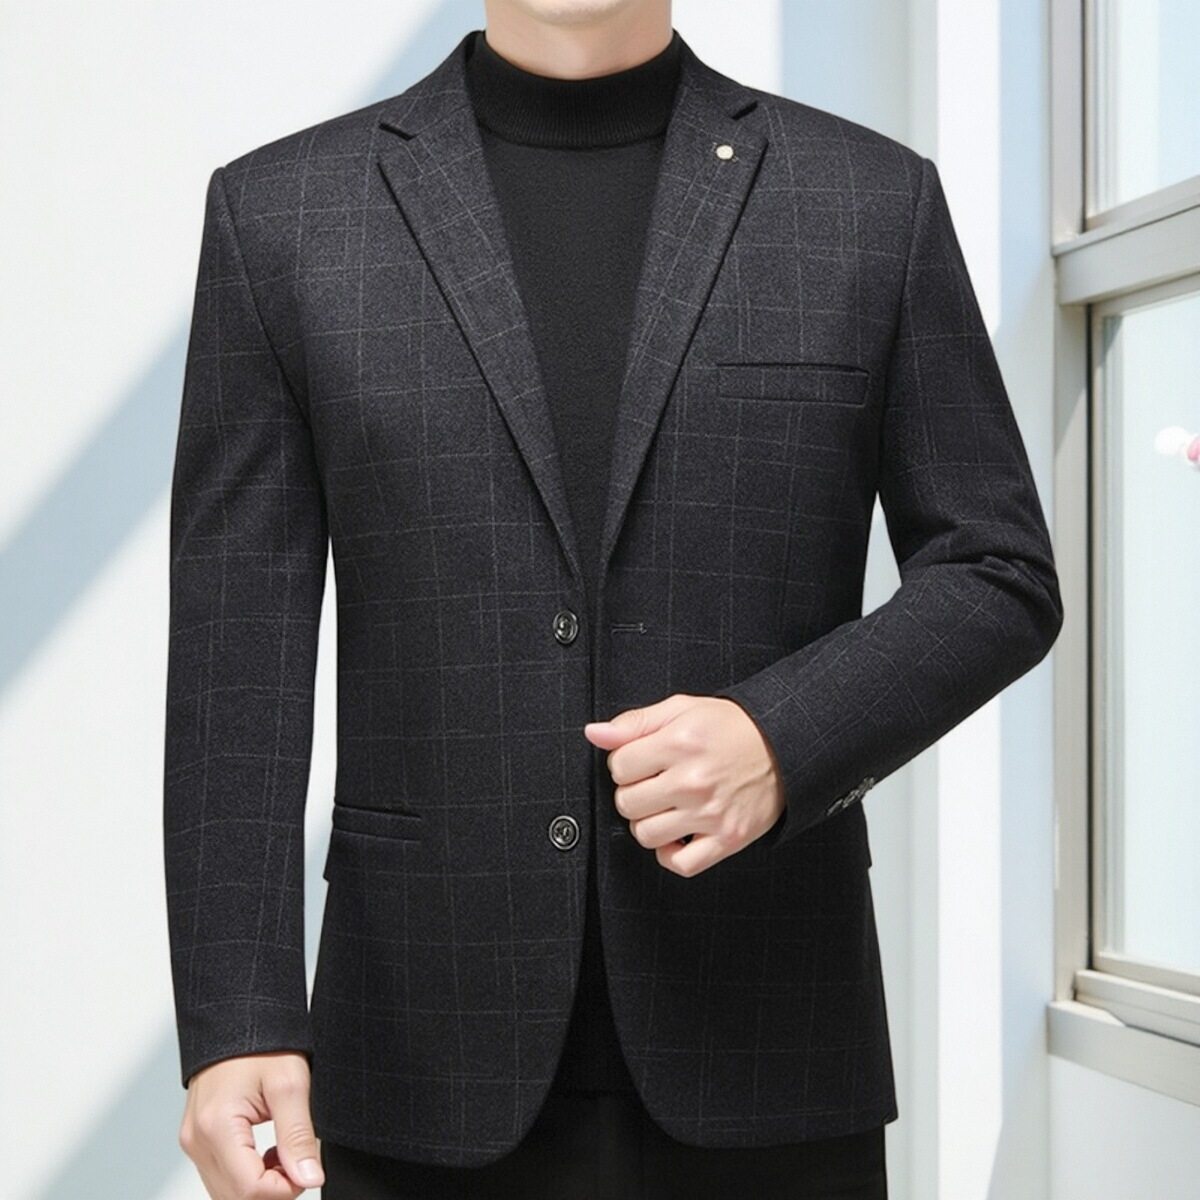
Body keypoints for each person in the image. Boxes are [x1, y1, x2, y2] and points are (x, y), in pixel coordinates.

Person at [164, 2, 1063, 1198]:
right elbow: (237, 655)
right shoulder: (285, 215)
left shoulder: (866, 201)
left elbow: (997, 569)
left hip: (767, 1043)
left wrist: (780, 737)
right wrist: (236, 1020)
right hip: (417, 1062)